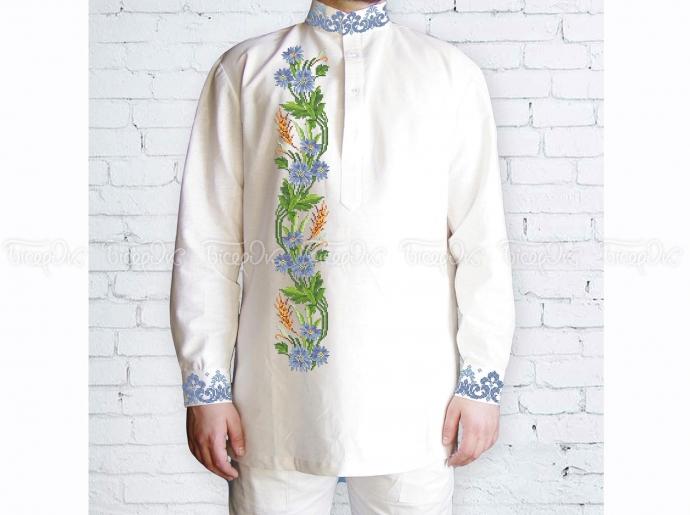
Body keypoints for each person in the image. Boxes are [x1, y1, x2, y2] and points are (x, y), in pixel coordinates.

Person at [169, 0, 515, 512]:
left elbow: (481, 241)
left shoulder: (449, 73)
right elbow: (207, 242)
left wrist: (482, 382)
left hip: (417, 399)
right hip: (273, 405)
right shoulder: (246, 69)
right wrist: (206, 388)